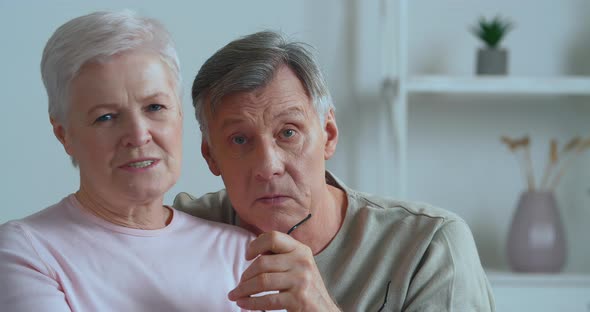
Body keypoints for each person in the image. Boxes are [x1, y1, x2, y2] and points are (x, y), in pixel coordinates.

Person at [174, 30, 496, 311]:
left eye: (288, 132)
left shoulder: (429, 247)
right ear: (210, 155)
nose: (269, 167)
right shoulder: (182, 232)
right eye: (240, 139)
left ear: (328, 135)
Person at [0, 10, 254, 311]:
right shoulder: (26, 252)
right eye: (106, 116)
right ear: (64, 134)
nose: (137, 135)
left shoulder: (242, 251)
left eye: (155, 107)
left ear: (180, 116)